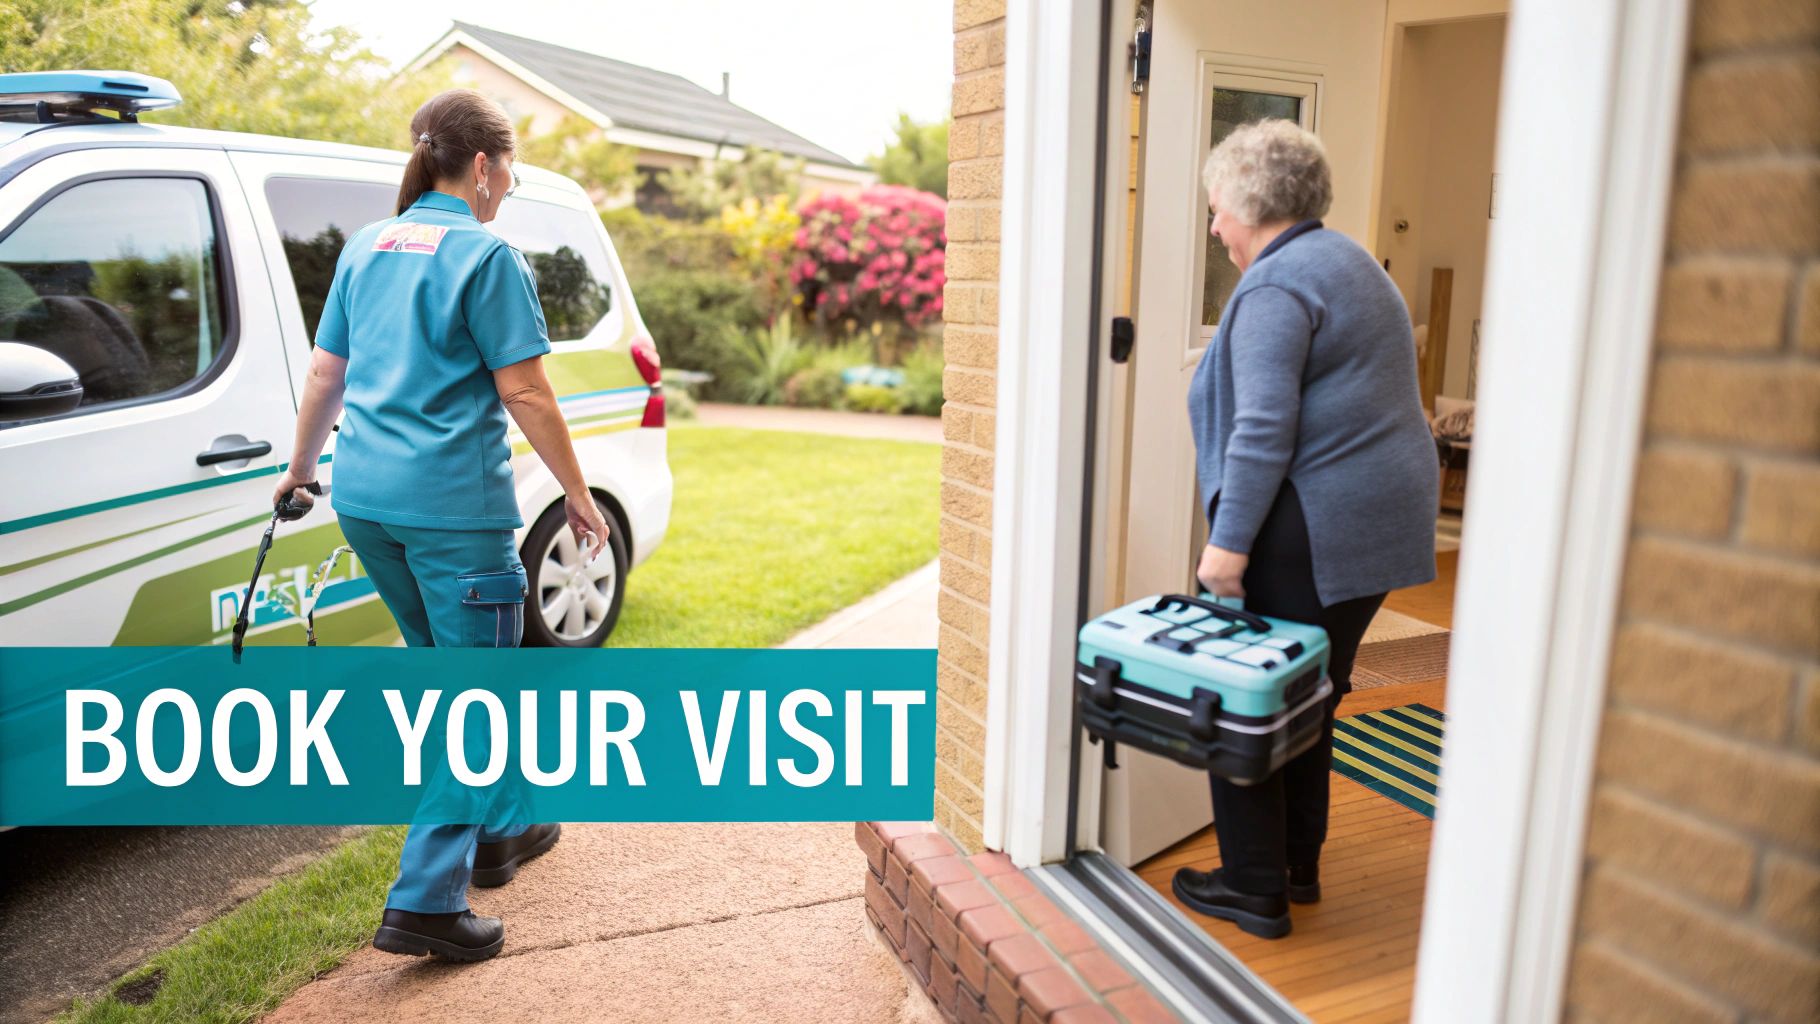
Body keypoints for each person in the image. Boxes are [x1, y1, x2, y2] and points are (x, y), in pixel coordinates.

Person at [271, 89, 610, 962]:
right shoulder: (487, 255)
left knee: (452, 675)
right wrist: (575, 491)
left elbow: (323, 377)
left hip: (368, 504)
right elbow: (527, 390)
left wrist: (301, 472)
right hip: (454, 516)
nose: (508, 191)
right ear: (485, 167)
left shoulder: (367, 244)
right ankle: (425, 900)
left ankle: (503, 828)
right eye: (511, 174)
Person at [1173, 119, 1438, 939]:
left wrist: (1226, 548)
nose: (1215, 226)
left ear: (1251, 203)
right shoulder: (1348, 260)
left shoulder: (1277, 286)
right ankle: (1294, 865)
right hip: (1373, 529)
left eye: (1217, 209)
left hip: (1314, 527)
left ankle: (1253, 887)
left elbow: (1261, 428)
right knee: (1308, 696)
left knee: (1243, 694)